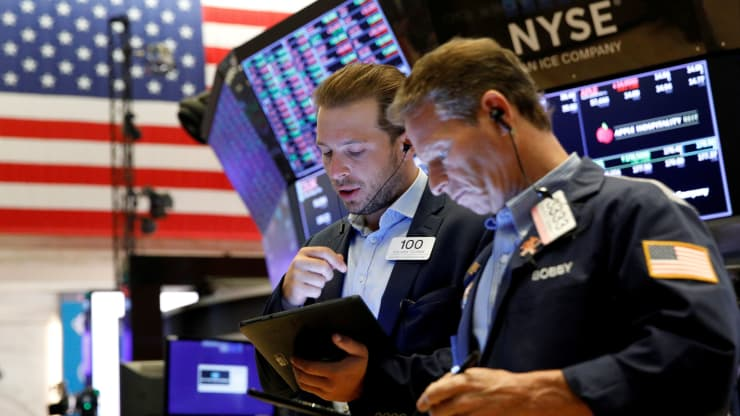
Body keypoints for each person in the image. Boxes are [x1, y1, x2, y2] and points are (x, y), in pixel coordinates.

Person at [385, 37, 740, 415]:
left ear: (498, 113)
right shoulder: (491, 253)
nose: (435, 182)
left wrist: (541, 395)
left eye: (440, 154)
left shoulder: (638, 210)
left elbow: (703, 354)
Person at [256, 62, 488, 415]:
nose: (336, 172)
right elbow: (275, 383)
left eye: (355, 151)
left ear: (407, 141)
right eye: (327, 152)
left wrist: (371, 382)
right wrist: (286, 300)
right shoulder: (321, 246)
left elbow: (488, 358)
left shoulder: (472, 226)